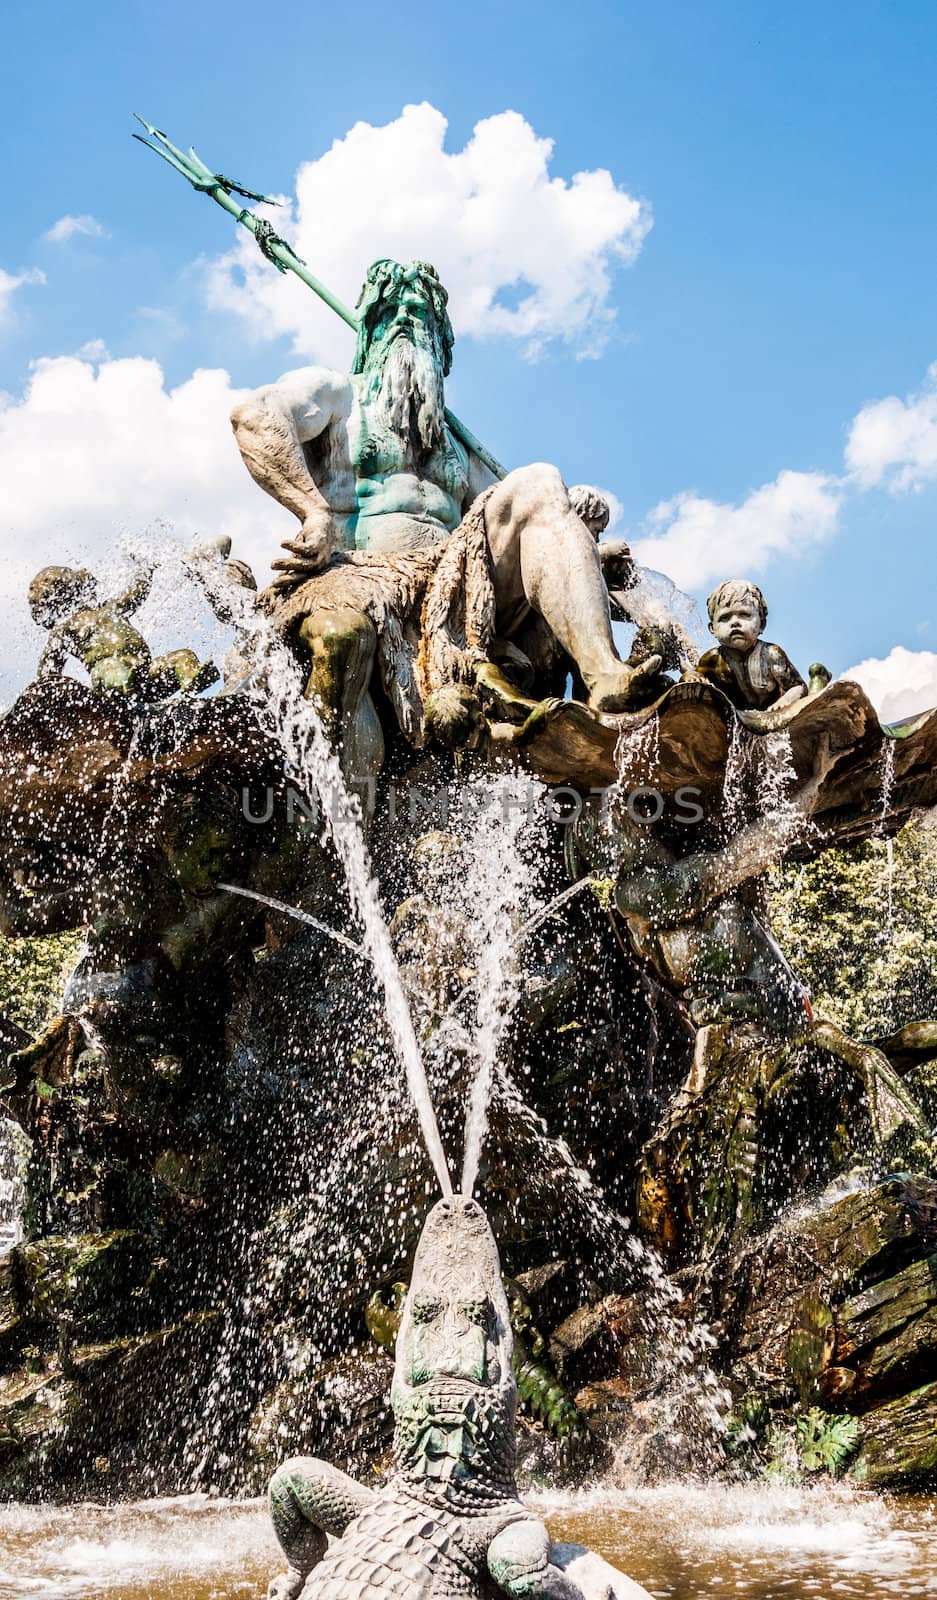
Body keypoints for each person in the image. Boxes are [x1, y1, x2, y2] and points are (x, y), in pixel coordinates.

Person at [229, 258, 659, 775]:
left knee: (541, 480)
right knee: (344, 636)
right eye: (392, 313)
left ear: (441, 346)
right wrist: (312, 510)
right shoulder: (339, 395)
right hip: (359, 576)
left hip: (450, 592)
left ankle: (606, 677)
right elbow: (254, 416)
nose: (408, 322)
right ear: (369, 331)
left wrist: (578, 523)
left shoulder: (458, 448)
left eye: (423, 316)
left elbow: (530, 526)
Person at [29, 560, 217, 699]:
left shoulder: (110, 607)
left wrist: (145, 569)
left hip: (145, 676)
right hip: (109, 675)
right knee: (113, 670)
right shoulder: (64, 629)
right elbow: (48, 670)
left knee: (183, 657)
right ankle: (126, 703)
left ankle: (191, 686)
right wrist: (43, 695)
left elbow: (135, 593)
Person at [698, 579, 806, 711]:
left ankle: (819, 676)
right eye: (725, 618)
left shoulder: (771, 655)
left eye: (744, 615)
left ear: (762, 624)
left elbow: (798, 687)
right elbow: (695, 683)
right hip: (739, 718)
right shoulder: (711, 660)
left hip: (771, 713)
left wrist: (783, 703)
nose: (735, 623)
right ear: (712, 629)